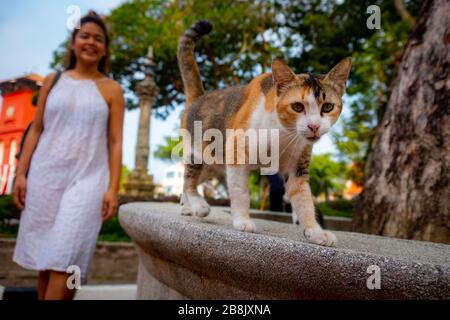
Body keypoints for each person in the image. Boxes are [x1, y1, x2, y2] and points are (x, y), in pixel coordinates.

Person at [12, 11, 125, 300]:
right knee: (45, 259)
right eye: (84, 36)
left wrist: (113, 188)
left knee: (67, 255)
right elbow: (36, 129)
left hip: (87, 182)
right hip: (45, 178)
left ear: (105, 48)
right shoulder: (53, 80)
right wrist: (21, 174)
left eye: (98, 39)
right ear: (73, 43)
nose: (91, 42)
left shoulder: (112, 90)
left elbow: (114, 141)